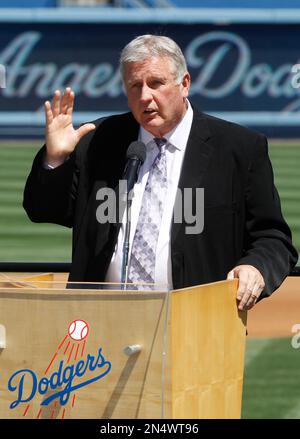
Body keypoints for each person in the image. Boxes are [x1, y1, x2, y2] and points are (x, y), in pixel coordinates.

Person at [23, 34, 298, 310]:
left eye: (156, 84)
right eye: (135, 86)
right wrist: (55, 159)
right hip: (102, 324)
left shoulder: (238, 149)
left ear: (184, 84)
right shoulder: (98, 141)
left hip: (198, 327)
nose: (145, 97)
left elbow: (273, 238)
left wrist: (256, 267)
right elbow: (44, 209)